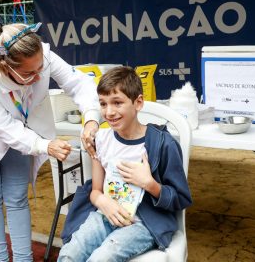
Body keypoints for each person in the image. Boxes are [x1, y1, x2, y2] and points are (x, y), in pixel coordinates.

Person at [0, 22, 101, 261]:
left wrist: (91, 118)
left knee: (17, 195)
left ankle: (24, 259)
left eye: (41, 68)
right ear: (4, 66)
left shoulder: (42, 53)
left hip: (21, 127)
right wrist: (44, 145)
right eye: (30, 73)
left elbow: (78, 83)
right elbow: (1, 126)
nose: (39, 76)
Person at [58, 66, 192, 262]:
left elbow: (180, 199)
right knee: (68, 255)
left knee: (101, 258)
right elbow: (95, 191)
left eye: (117, 103)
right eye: (103, 104)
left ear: (138, 103)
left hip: (142, 223)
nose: (109, 112)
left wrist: (149, 184)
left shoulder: (162, 144)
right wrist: (104, 202)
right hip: (104, 215)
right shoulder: (101, 140)